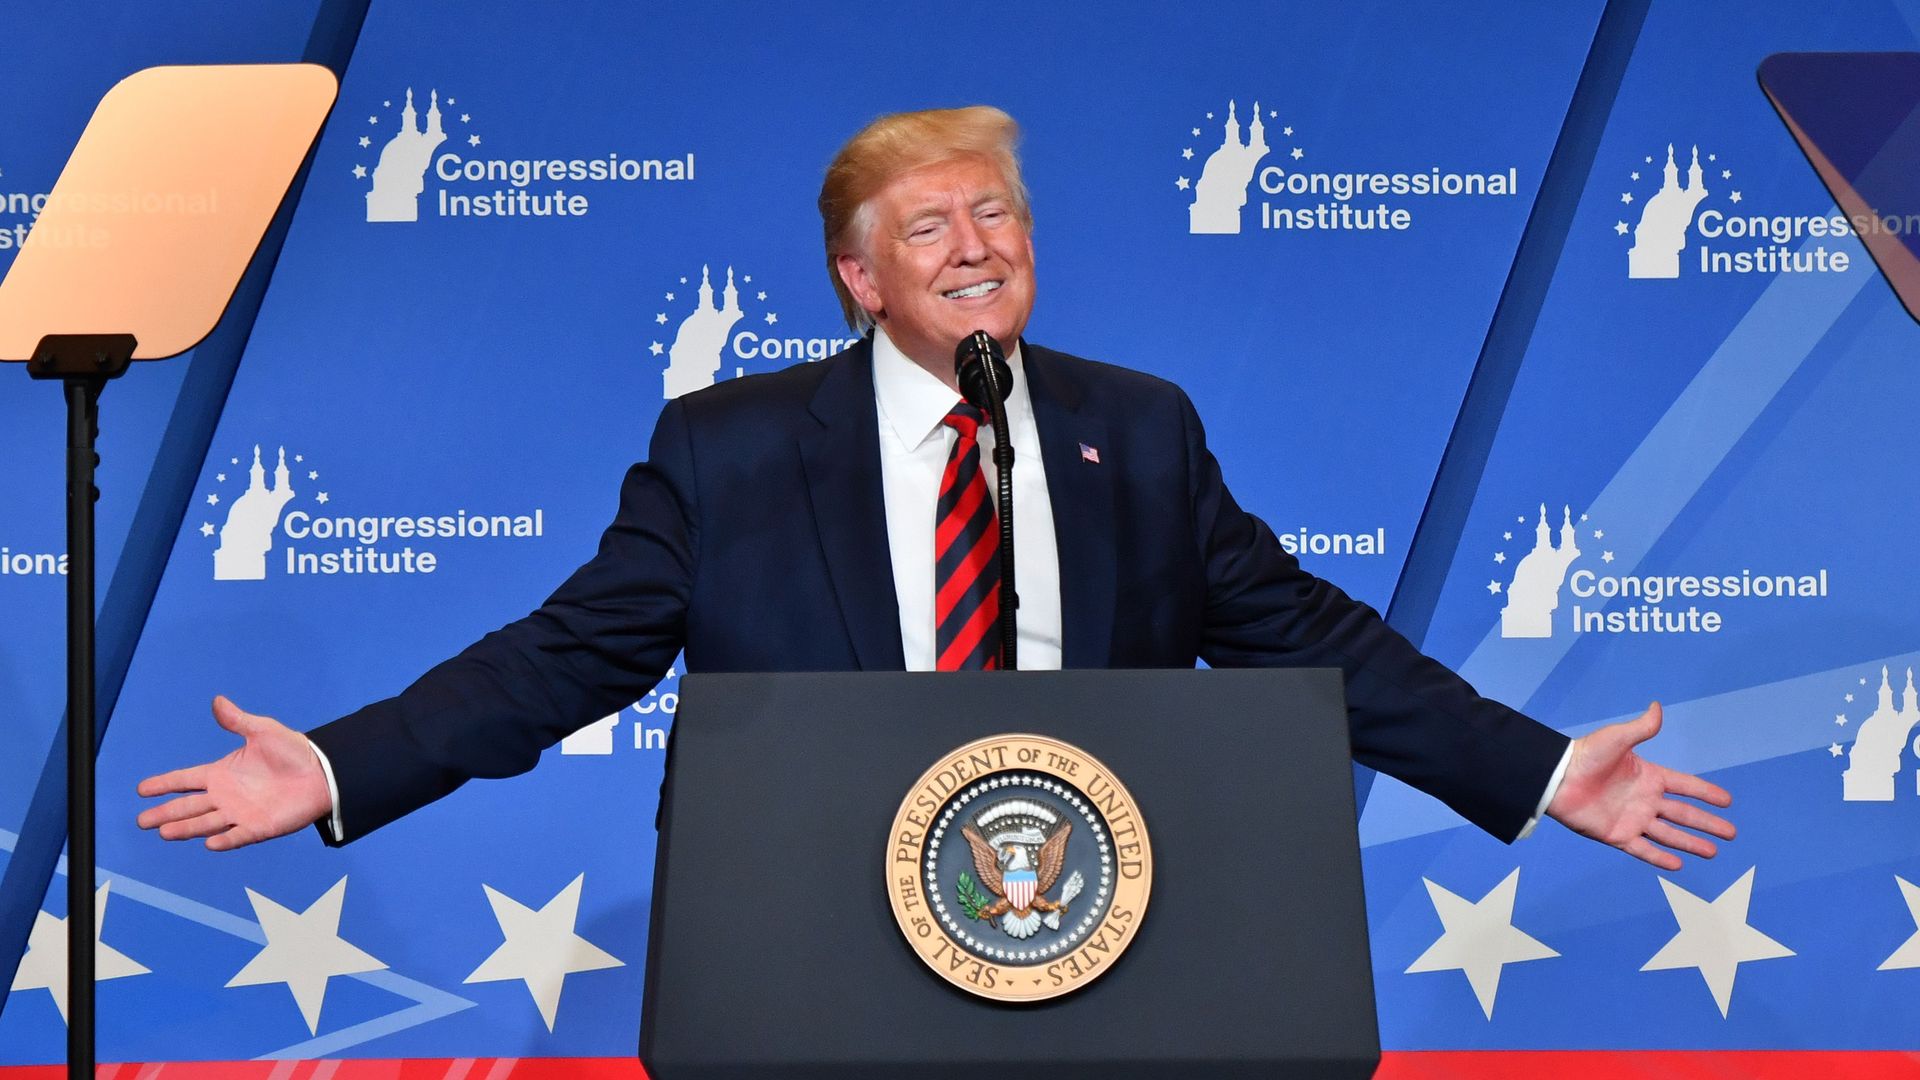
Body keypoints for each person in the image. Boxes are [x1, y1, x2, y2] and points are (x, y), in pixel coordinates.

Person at [138, 106, 1734, 871]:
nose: (975, 246)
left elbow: (1306, 633)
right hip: (814, 919)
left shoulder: (1141, 429)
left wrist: (1534, 771)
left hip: (1093, 907)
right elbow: (570, 656)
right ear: (855, 278)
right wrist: (343, 769)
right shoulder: (732, 445)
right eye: (929, 228)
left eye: (998, 217)